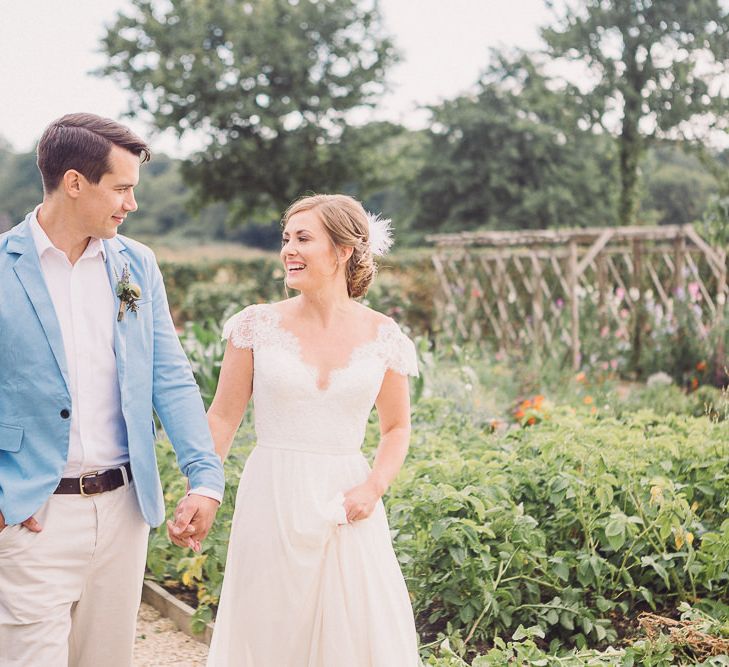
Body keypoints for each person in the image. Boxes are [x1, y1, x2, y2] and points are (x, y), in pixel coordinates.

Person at [0, 113, 225, 667]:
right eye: (122, 188)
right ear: (75, 182)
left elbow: (169, 374)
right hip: (33, 513)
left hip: (125, 510)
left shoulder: (136, 263)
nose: (132, 204)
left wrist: (205, 477)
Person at [203, 194, 421, 665]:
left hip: (347, 502)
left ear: (343, 251)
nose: (289, 250)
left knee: (352, 634)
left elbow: (397, 427)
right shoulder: (255, 325)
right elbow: (222, 416)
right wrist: (201, 488)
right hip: (272, 494)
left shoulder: (385, 336)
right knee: (270, 629)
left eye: (304, 239)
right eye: (286, 239)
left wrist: (373, 486)